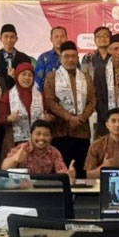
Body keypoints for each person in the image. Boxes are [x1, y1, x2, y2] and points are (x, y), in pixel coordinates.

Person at [44, 41, 95, 178]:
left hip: (82, 131)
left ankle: (83, 199)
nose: (70, 59)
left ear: (78, 58)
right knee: (62, 170)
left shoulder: (86, 78)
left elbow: (92, 101)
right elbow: (50, 101)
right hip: (60, 132)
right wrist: (69, 117)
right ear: (60, 58)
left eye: (73, 56)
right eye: (66, 56)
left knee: (81, 170)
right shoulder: (52, 77)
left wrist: (81, 118)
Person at [1, 120, 75, 178]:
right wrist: (15, 159)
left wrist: (68, 175)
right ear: (30, 135)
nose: (41, 138)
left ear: (51, 138)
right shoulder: (22, 148)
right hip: (23, 189)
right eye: (38, 134)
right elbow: (4, 168)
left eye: (46, 135)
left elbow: (61, 172)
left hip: (44, 190)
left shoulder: (54, 152)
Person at [0, 62, 46, 145]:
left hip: (38, 140)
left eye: (30, 75)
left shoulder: (40, 95)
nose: (27, 78)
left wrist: (49, 118)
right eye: (23, 74)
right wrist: (9, 118)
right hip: (14, 140)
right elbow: (0, 119)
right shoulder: (8, 95)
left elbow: (49, 114)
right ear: (17, 76)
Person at [0, 23, 35, 90]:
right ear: (0, 38)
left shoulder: (24, 58)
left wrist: (16, 76)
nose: (9, 40)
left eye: (12, 37)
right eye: (6, 36)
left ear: (16, 39)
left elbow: (29, 80)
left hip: (18, 95)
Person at [34, 26, 68, 92]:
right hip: (47, 98)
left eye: (62, 36)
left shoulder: (71, 57)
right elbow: (37, 82)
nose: (59, 39)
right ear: (51, 39)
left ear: (67, 38)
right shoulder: (43, 58)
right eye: (56, 36)